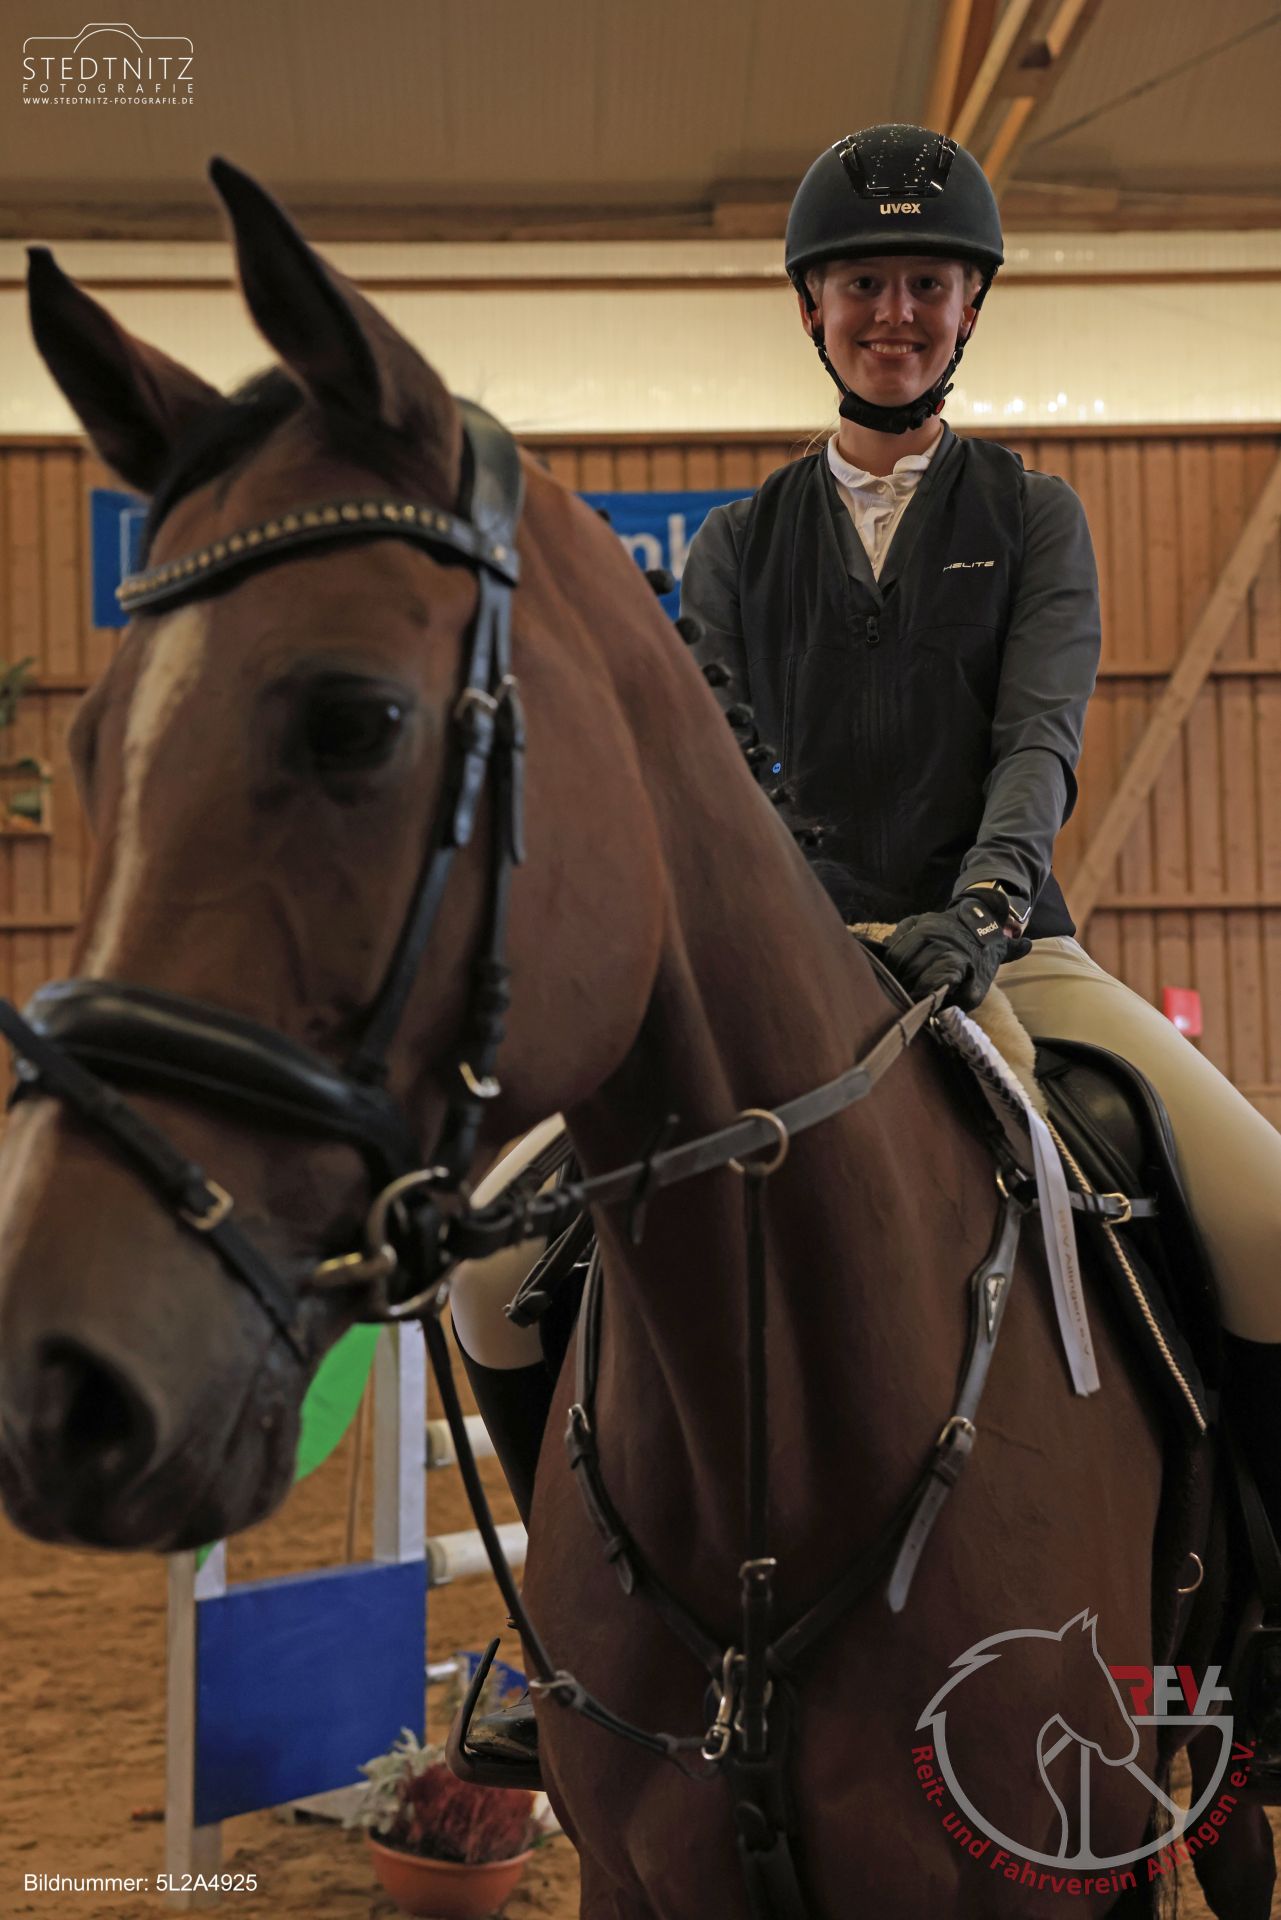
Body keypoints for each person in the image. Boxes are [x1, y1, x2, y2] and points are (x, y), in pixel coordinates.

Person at [455, 123, 1281, 1780]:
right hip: (791, 966)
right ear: (811, 310)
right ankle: (565, 1647)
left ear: (967, 308)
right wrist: (808, 928)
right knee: (489, 1274)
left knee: (1267, 1222)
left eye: (922, 283)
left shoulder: (1034, 518)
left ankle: (1259, 1640)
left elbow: (1037, 740)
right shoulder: (735, 547)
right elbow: (725, 774)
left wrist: (980, 911)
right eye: (861, 285)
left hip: (1008, 954)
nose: (891, 311)